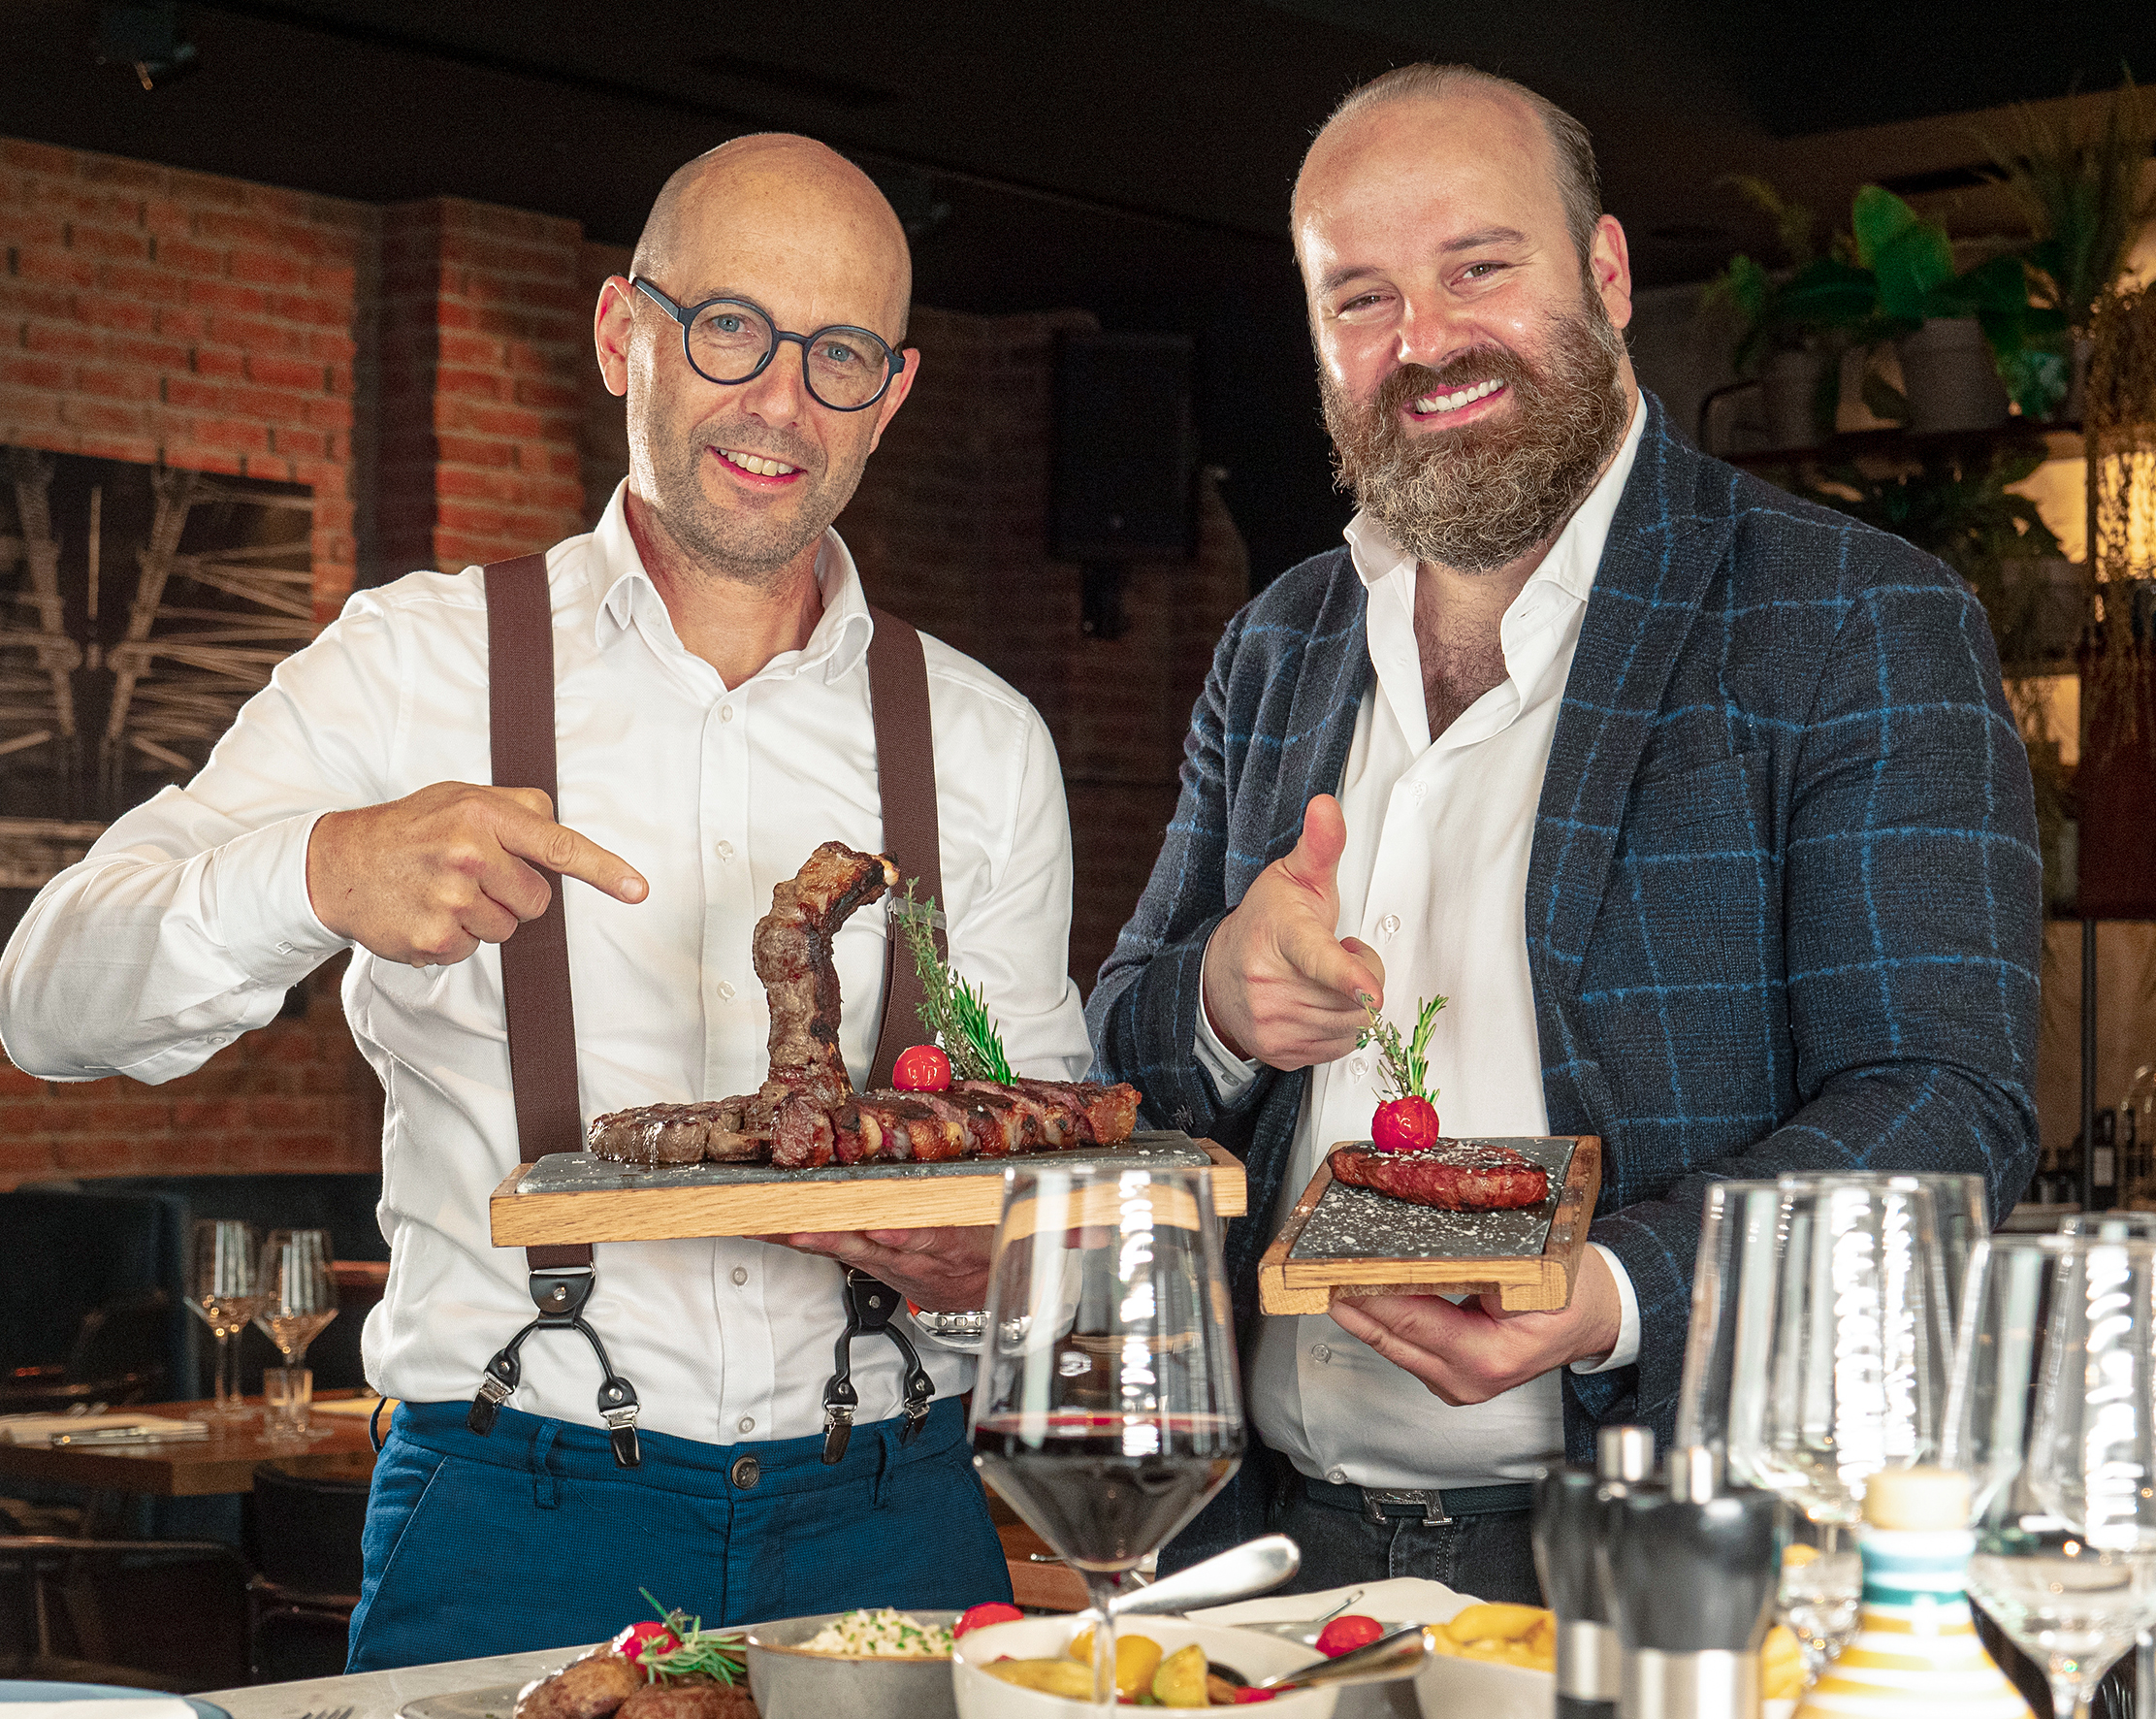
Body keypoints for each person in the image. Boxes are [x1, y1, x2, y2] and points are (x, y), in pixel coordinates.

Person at [0, 135, 1087, 1664]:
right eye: (729, 329)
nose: (780, 399)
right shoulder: (408, 665)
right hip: (515, 1506)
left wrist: (999, 1270)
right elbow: (44, 1003)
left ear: (890, 396)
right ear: (619, 334)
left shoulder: (980, 738)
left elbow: (1055, 1165)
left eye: (837, 354)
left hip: (892, 1507)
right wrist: (320, 871)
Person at [1087, 64, 2041, 1600]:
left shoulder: (1855, 616)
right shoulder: (1279, 641)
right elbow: (1120, 1044)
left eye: (1478, 267)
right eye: (1361, 297)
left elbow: (1948, 1107)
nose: (1426, 342)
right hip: (1269, 1551)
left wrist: (1607, 1292)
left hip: (1667, 1541)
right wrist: (1214, 1000)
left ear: (1602, 273)